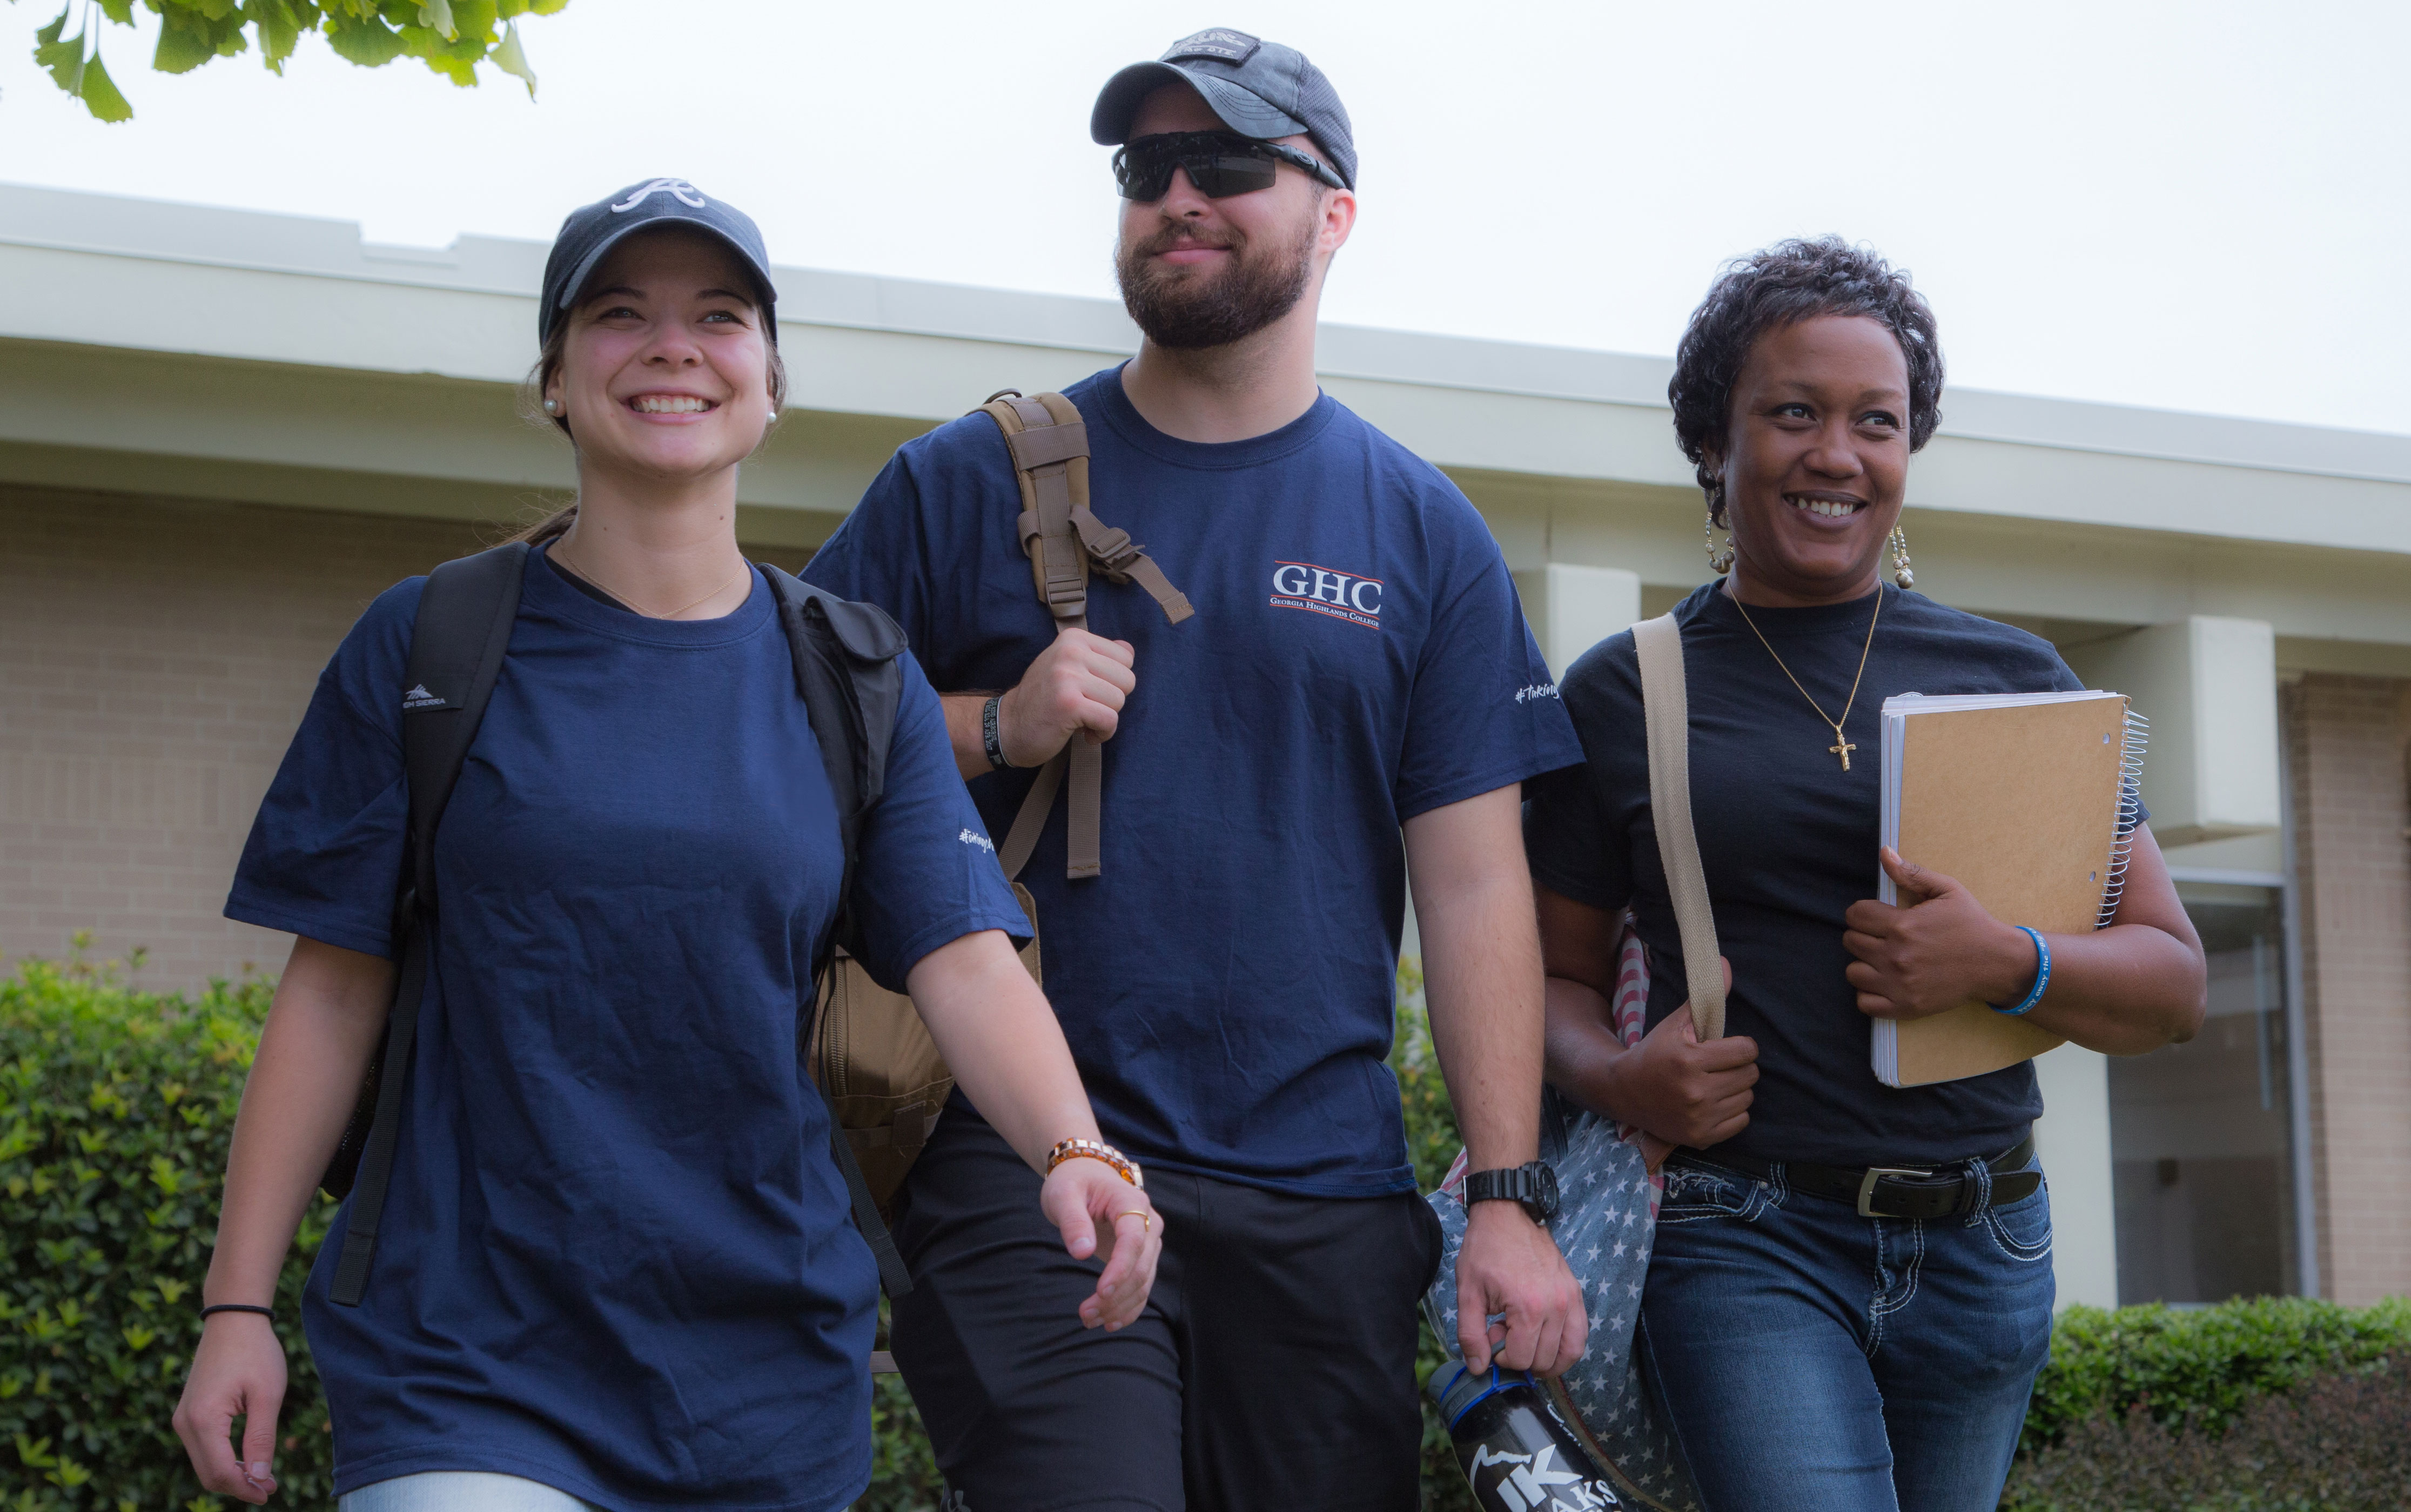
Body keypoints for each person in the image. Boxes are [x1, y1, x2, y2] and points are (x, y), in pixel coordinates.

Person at [171, 180, 1160, 1512]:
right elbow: (335, 986)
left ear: (769, 384)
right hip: (467, 1350)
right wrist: (238, 1300)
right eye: (619, 313)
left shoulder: (854, 673)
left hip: (764, 1372)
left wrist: (1075, 1149)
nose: (673, 346)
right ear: (557, 382)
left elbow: (966, 962)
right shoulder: (427, 646)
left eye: (720, 316)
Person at [801, 29, 1589, 1512]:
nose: (1177, 196)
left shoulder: (1423, 532)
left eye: (1226, 164)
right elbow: (786, 754)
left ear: (1335, 213)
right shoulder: (962, 482)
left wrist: (1505, 1201)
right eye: (1145, 168)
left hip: (1328, 1199)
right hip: (1029, 1158)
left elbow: (1478, 885)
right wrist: (994, 727)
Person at [1526, 236, 2209, 1512]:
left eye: (1876, 422)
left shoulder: (2018, 680)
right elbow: (1548, 981)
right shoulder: (1627, 690)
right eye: (1792, 412)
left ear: (1909, 453)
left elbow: (2172, 983)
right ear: (1713, 445)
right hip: (1746, 1235)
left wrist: (2013, 961)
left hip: (1990, 1241)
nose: (1835, 452)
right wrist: (1623, 1073)